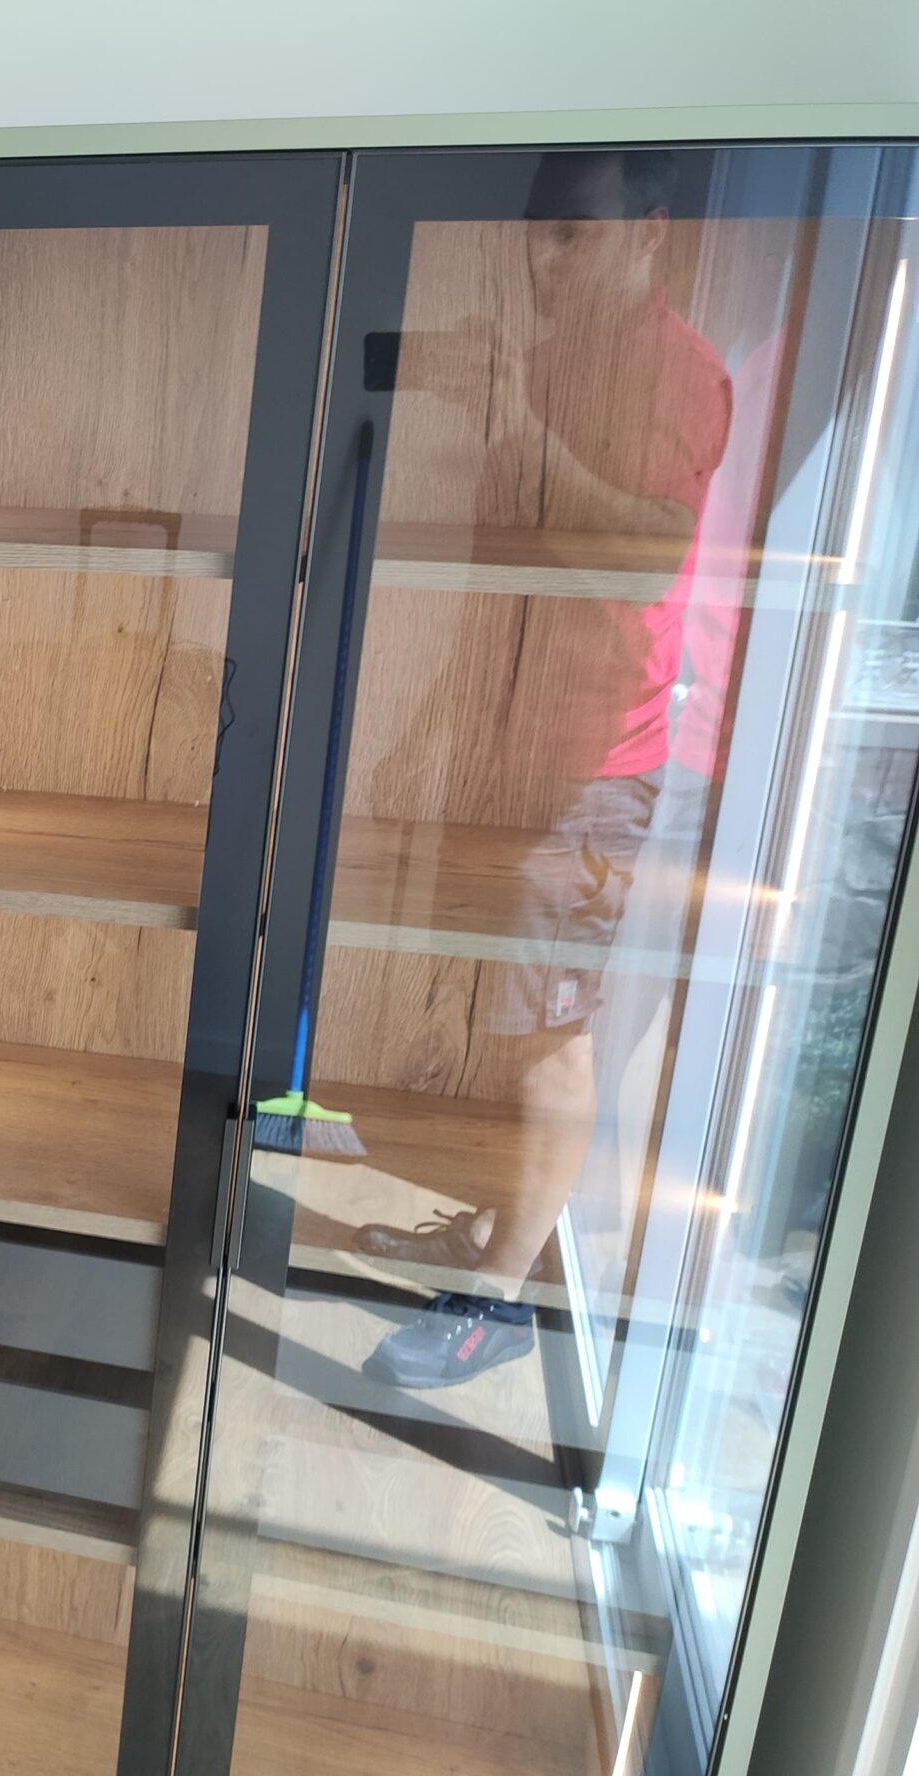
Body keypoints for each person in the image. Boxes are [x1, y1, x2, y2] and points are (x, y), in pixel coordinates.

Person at [363, 151, 734, 1389]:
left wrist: (516, 427)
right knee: (506, 1016)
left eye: (571, 234)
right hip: (509, 749)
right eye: (536, 234)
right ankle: (490, 1227)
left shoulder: (679, 373)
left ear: (650, 233)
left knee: (548, 1036)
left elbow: (636, 561)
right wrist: (433, 724)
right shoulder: (547, 358)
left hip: (595, 770)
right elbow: (503, 569)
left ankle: (497, 1302)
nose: (542, 259)